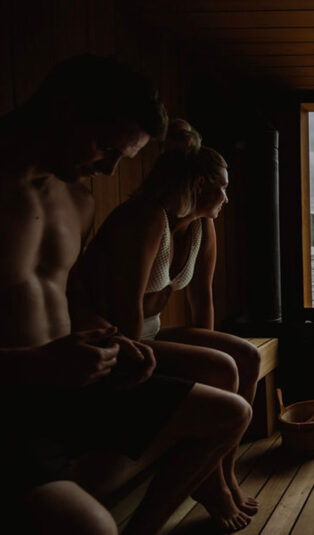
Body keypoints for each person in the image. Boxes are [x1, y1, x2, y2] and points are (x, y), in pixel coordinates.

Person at [0, 54, 251, 535]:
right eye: (106, 148)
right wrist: (35, 365)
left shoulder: (76, 201)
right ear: (65, 109)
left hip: (82, 384)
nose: (112, 170)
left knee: (231, 412)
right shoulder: (141, 220)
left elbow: (71, 299)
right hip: (15, 398)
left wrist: (113, 339)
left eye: (123, 157)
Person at [70, 119, 261, 530]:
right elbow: (125, 308)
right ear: (197, 184)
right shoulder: (146, 218)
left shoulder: (201, 227)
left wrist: (212, 346)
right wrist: (135, 360)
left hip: (151, 331)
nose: (227, 197)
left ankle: (222, 474)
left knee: (243, 355)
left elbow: (201, 299)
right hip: (117, 338)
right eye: (222, 187)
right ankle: (212, 487)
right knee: (222, 367)